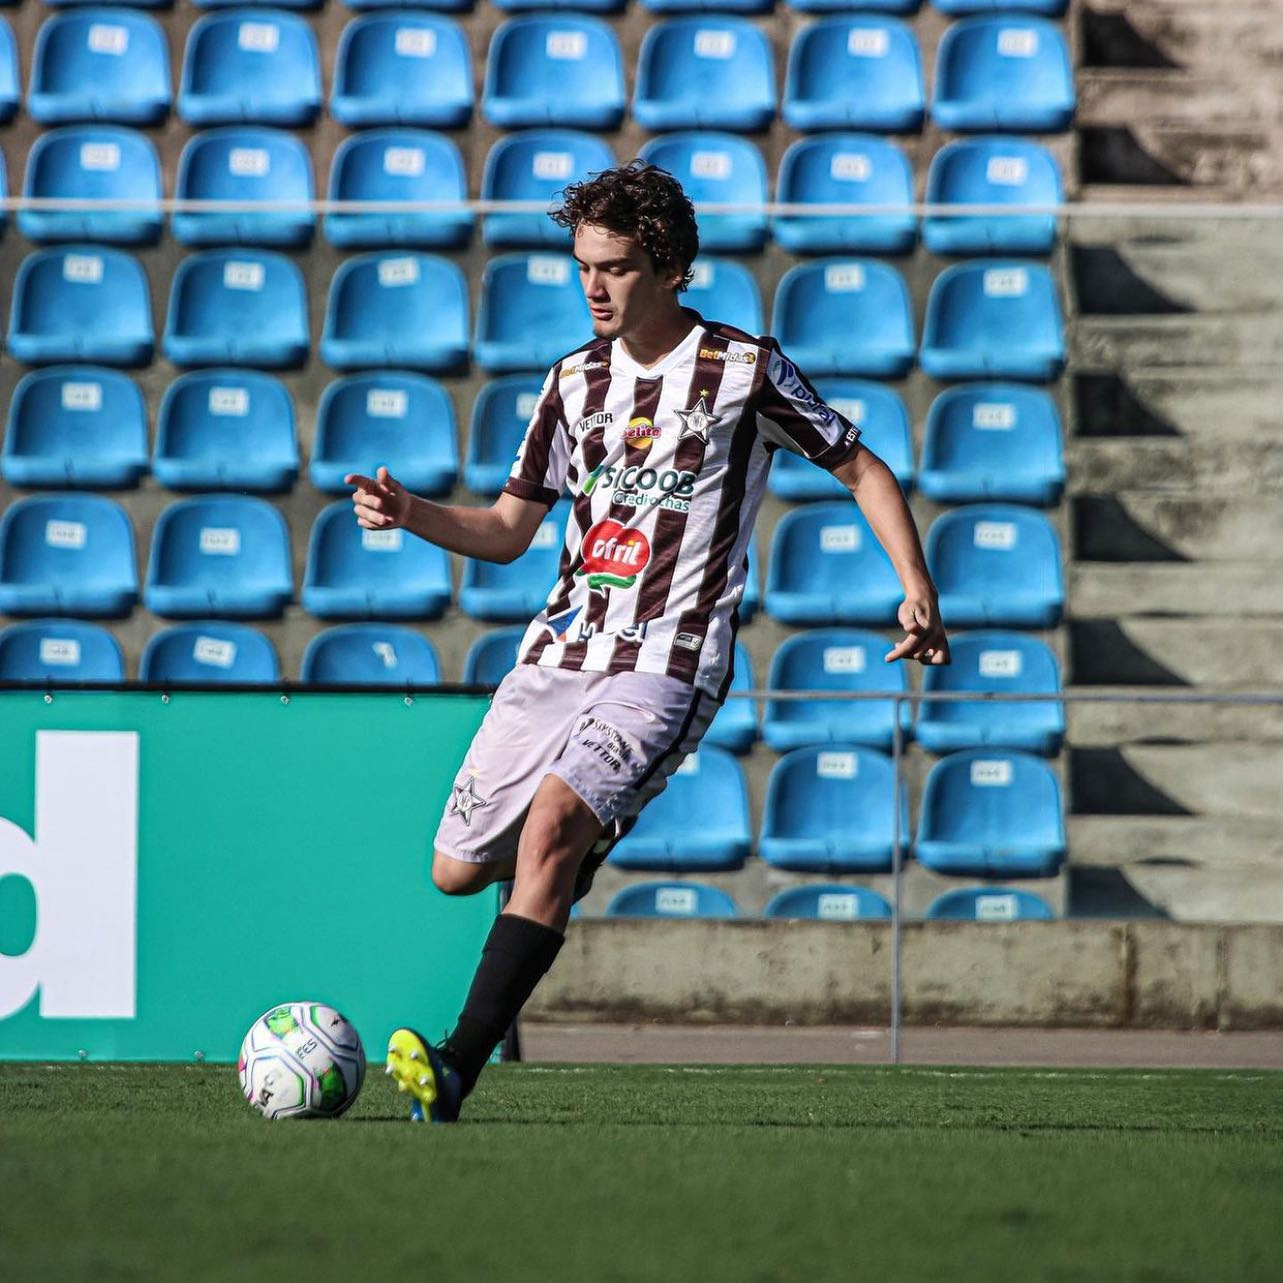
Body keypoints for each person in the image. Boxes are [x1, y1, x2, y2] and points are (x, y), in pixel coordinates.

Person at [346, 162, 950, 1122]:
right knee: (457, 871)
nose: (593, 286)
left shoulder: (743, 369)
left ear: (670, 268)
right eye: (583, 265)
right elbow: (507, 532)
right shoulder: (570, 383)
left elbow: (859, 466)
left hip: (666, 662)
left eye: (616, 267)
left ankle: (458, 1063)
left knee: (547, 831)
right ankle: (576, 852)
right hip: (557, 656)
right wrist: (409, 510)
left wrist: (915, 587)